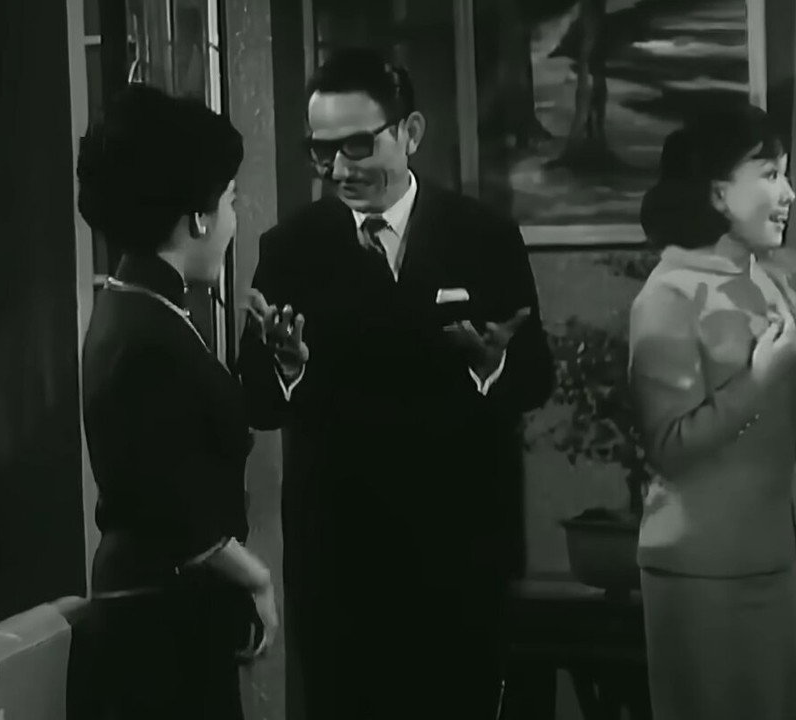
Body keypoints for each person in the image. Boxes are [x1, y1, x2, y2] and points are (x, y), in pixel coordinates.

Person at [236, 48, 554, 718]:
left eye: (358, 145)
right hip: (340, 561)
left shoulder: (484, 237)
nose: (339, 169)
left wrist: (489, 365)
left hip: (461, 553)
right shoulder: (290, 249)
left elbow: (534, 378)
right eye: (322, 151)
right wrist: (290, 368)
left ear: (410, 132)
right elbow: (258, 401)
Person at [628, 101, 796, 720]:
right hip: (703, 567)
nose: (789, 194)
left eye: (786, 174)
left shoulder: (767, 280)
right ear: (717, 192)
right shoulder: (668, 295)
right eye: (771, 174)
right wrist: (756, 381)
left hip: (776, 553)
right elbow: (670, 446)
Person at [78, 83, 278, 720]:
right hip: (155, 632)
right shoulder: (145, 330)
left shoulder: (144, 307)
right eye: (231, 202)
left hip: (165, 614)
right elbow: (172, 505)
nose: (233, 221)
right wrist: (256, 576)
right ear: (199, 218)